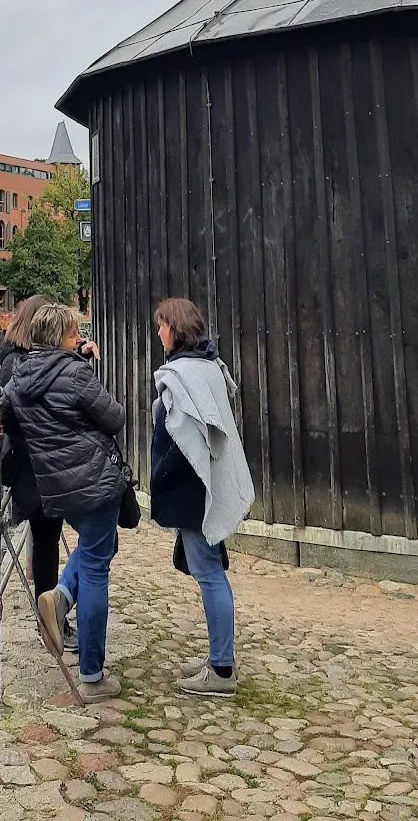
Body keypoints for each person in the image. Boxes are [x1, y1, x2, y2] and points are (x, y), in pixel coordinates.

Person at [4, 302, 127, 702]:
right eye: (74, 334)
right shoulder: (75, 373)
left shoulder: (18, 379)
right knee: (96, 567)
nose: (79, 339)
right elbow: (114, 417)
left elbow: (2, 417)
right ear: (60, 338)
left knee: (98, 548)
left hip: (56, 488)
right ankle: (92, 675)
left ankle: (60, 598)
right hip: (94, 480)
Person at [150, 297, 255, 697]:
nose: (159, 332)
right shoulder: (211, 368)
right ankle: (219, 658)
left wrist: (161, 475)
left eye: (161, 325)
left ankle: (222, 670)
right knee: (210, 571)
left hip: (194, 489)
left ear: (174, 329)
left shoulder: (181, 375)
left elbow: (186, 438)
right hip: (201, 484)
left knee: (210, 574)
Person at [0, 296, 71, 647]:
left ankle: (53, 618)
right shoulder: (17, 363)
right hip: (34, 463)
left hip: (39, 461)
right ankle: (50, 625)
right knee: (45, 539)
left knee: (47, 539)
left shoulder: (17, 358)